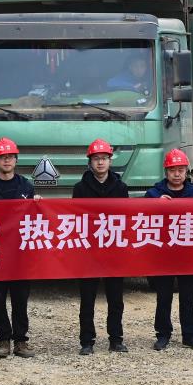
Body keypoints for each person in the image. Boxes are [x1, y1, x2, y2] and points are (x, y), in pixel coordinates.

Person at [0, 137, 42, 359]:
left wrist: (38, 203)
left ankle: (21, 341)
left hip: (20, 253)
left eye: (11, 156)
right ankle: (3, 339)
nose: (7, 160)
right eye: (3, 157)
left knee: (21, 299)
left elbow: (36, 219)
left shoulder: (26, 187)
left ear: (16, 160)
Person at [146, 149, 193, 351]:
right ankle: (163, 334)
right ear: (166, 171)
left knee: (188, 296)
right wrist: (156, 205)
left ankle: (190, 335)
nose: (177, 174)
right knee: (163, 296)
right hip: (162, 254)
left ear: (186, 171)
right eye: (173, 170)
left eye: (181, 170)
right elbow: (139, 215)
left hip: (187, 253)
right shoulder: (153, 194)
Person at [73, 138, 129, 355]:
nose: (100, 163)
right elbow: (76, 218)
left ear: (110, 161)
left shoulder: (120, 187)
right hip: (89, 252)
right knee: (87, 299)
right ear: (90, 162)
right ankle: (87, 341)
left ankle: (116, 339)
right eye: (96, 159)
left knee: (116, 299)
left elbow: (125, 219)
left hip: (113, 250)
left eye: (104, 158)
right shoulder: (80, 188)